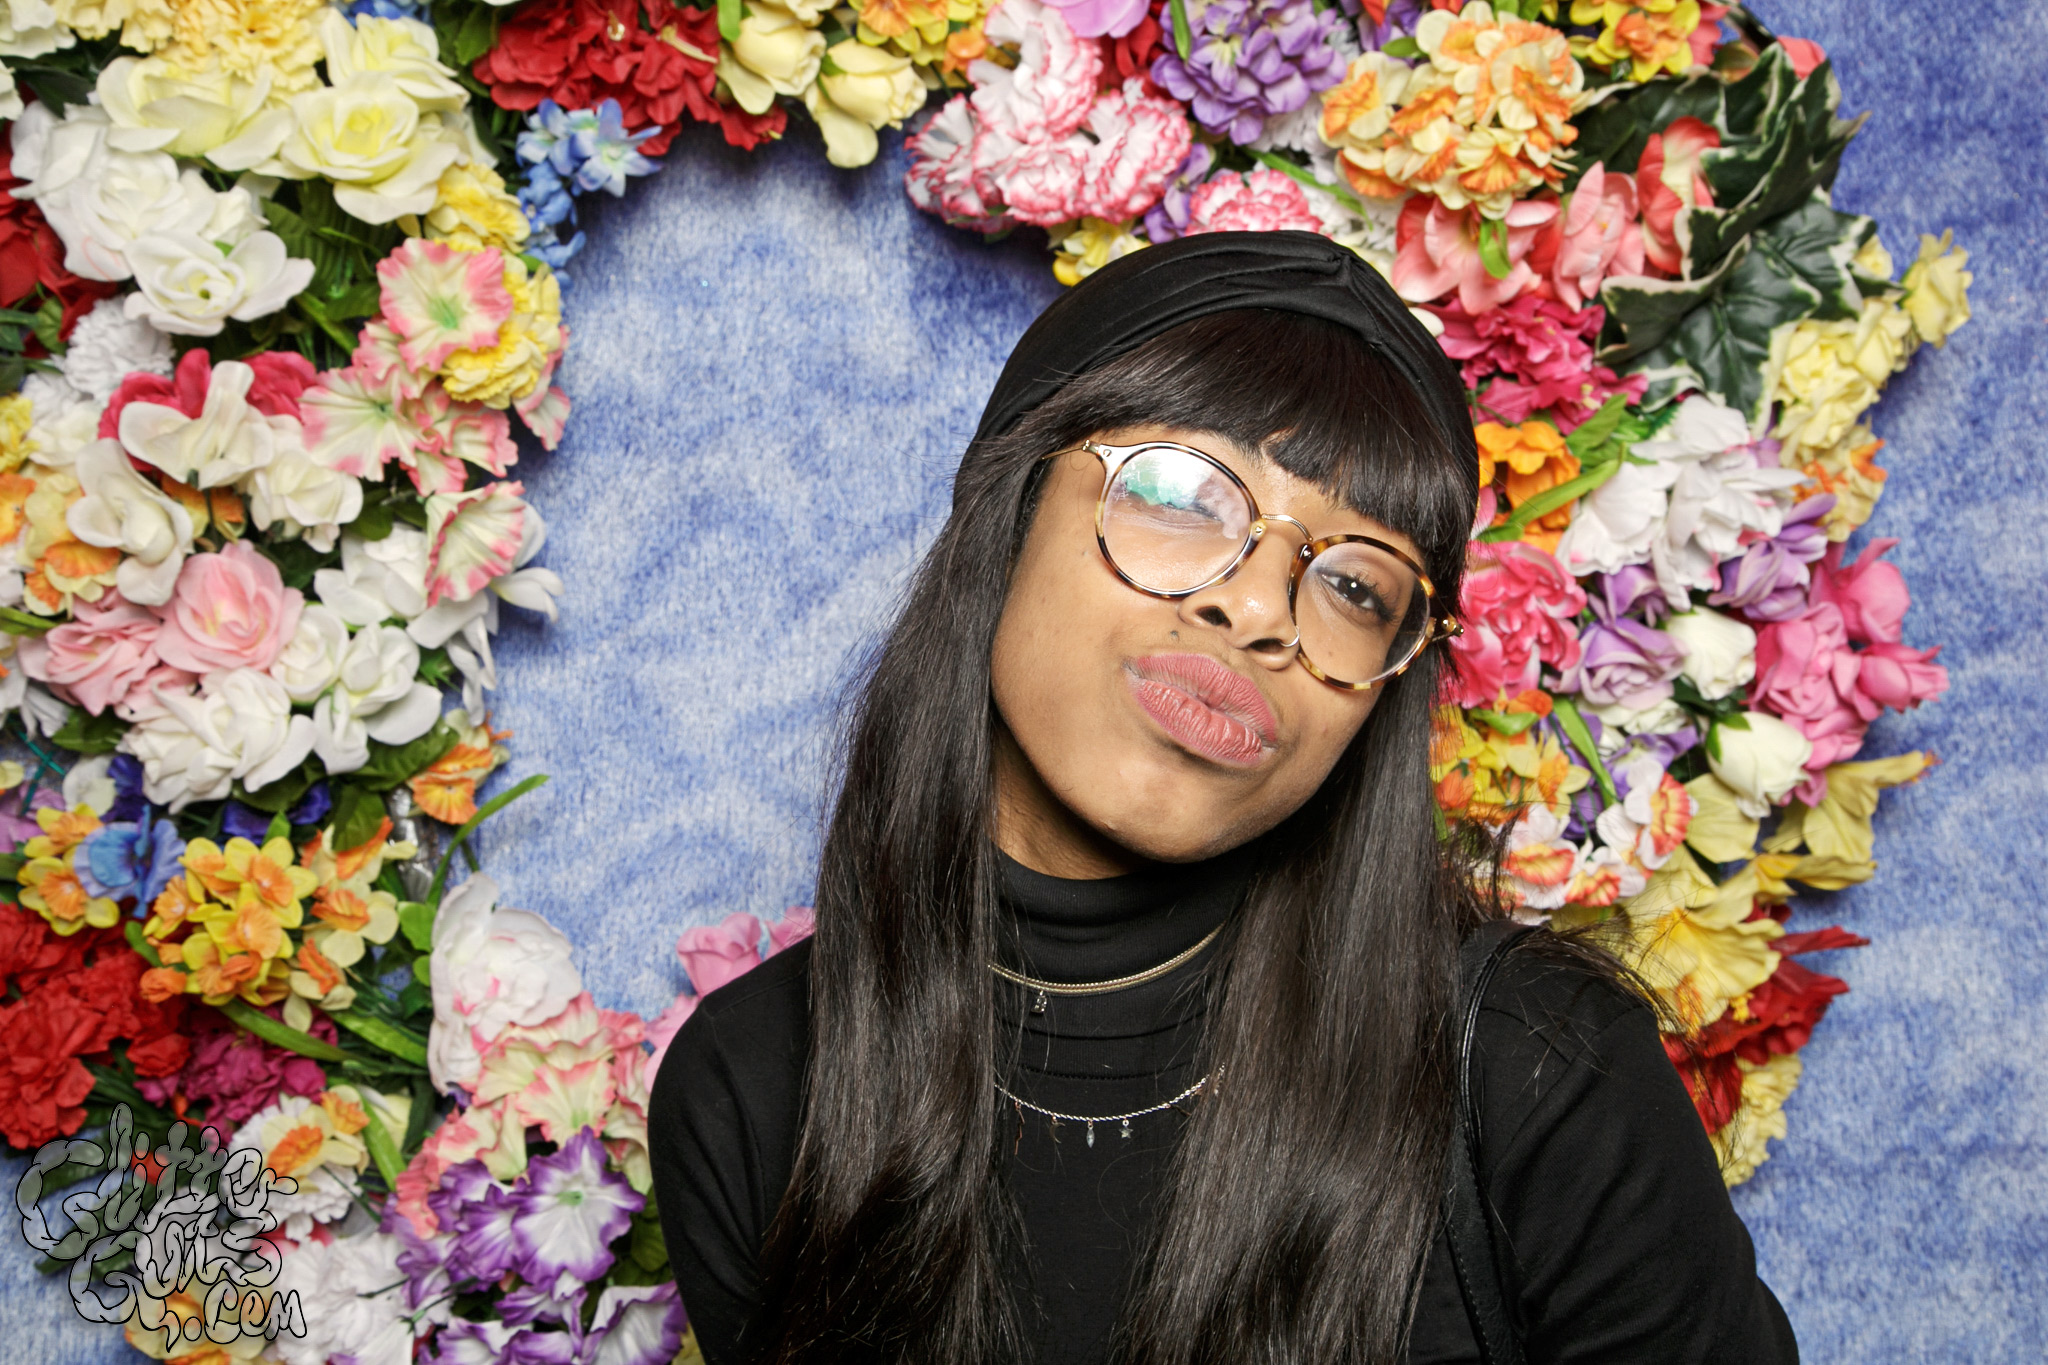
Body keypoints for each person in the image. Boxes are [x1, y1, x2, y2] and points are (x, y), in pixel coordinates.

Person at [648, 232, 1798, 1365]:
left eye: (1354, 586)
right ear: (1007, 512)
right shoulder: (749, 1094)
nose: (1255, 609)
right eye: (1180, 496)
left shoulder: (1538, 1074)